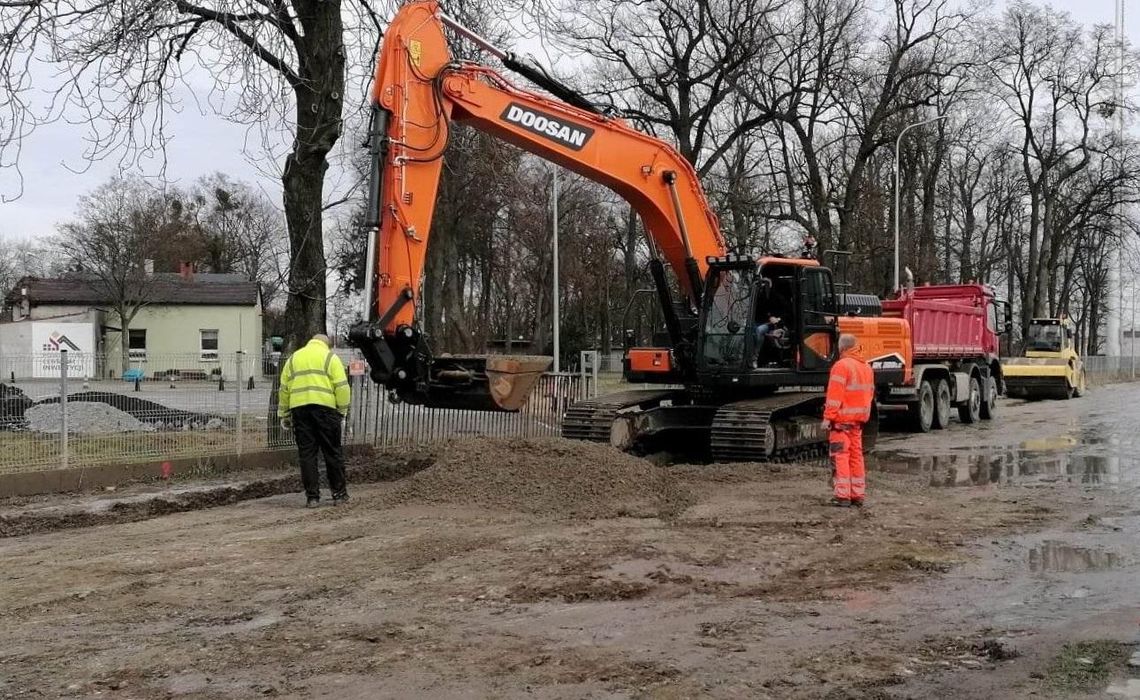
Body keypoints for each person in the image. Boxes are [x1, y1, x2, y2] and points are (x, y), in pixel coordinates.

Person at [278, 334, 352, 508]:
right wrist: (342, 411)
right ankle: (339, 495)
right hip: (326, 410)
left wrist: (284, 414)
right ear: (327, 345)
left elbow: (284, 389)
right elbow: (342, 387)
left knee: (307, 454)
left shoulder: (294, 358)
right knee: (332, 452)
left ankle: (312, 498)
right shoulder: (330, 358)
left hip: (300, 411)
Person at [821, 334, 874, 507]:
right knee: (856, 457)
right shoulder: (866, 367)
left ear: (842, 348)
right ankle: (857, 494)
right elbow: (869, 394)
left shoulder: (841, 366)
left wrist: (828, 417)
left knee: (840, 457)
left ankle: (842, 495)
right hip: (857, 422)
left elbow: (834, 395)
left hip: (841, 422)